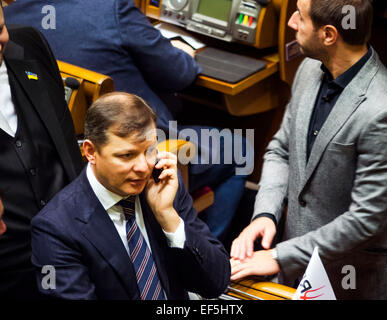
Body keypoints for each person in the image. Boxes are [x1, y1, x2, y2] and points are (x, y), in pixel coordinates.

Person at [4, 0, 249, 243]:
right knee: (240, 150)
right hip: (144, 153)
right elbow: (179, 74)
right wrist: (182, 52)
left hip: (84, 158)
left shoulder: (13, 19)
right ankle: (212, 256)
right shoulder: (111, 9)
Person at [230, 0, 387, 300]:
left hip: (353, 277)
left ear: (329, 34)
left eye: (301, 17)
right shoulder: (308, 68)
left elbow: (366, 220)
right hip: (296, 267)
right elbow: (281, 149)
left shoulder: (386, 110)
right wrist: (265, 214)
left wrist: (278, 256)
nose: (292, 22)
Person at [30, 92, 230, 300]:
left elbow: (217, 283)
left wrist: (168, 217)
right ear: (90, 151)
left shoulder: (162, 185)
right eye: (127, 155)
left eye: (150, 150)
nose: (144, 167)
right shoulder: (54, 230)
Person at [0, 0, 83, 299]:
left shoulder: (29, 44)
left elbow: (63, 140)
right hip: (8, 266)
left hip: (74, 242)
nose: (0, 42)